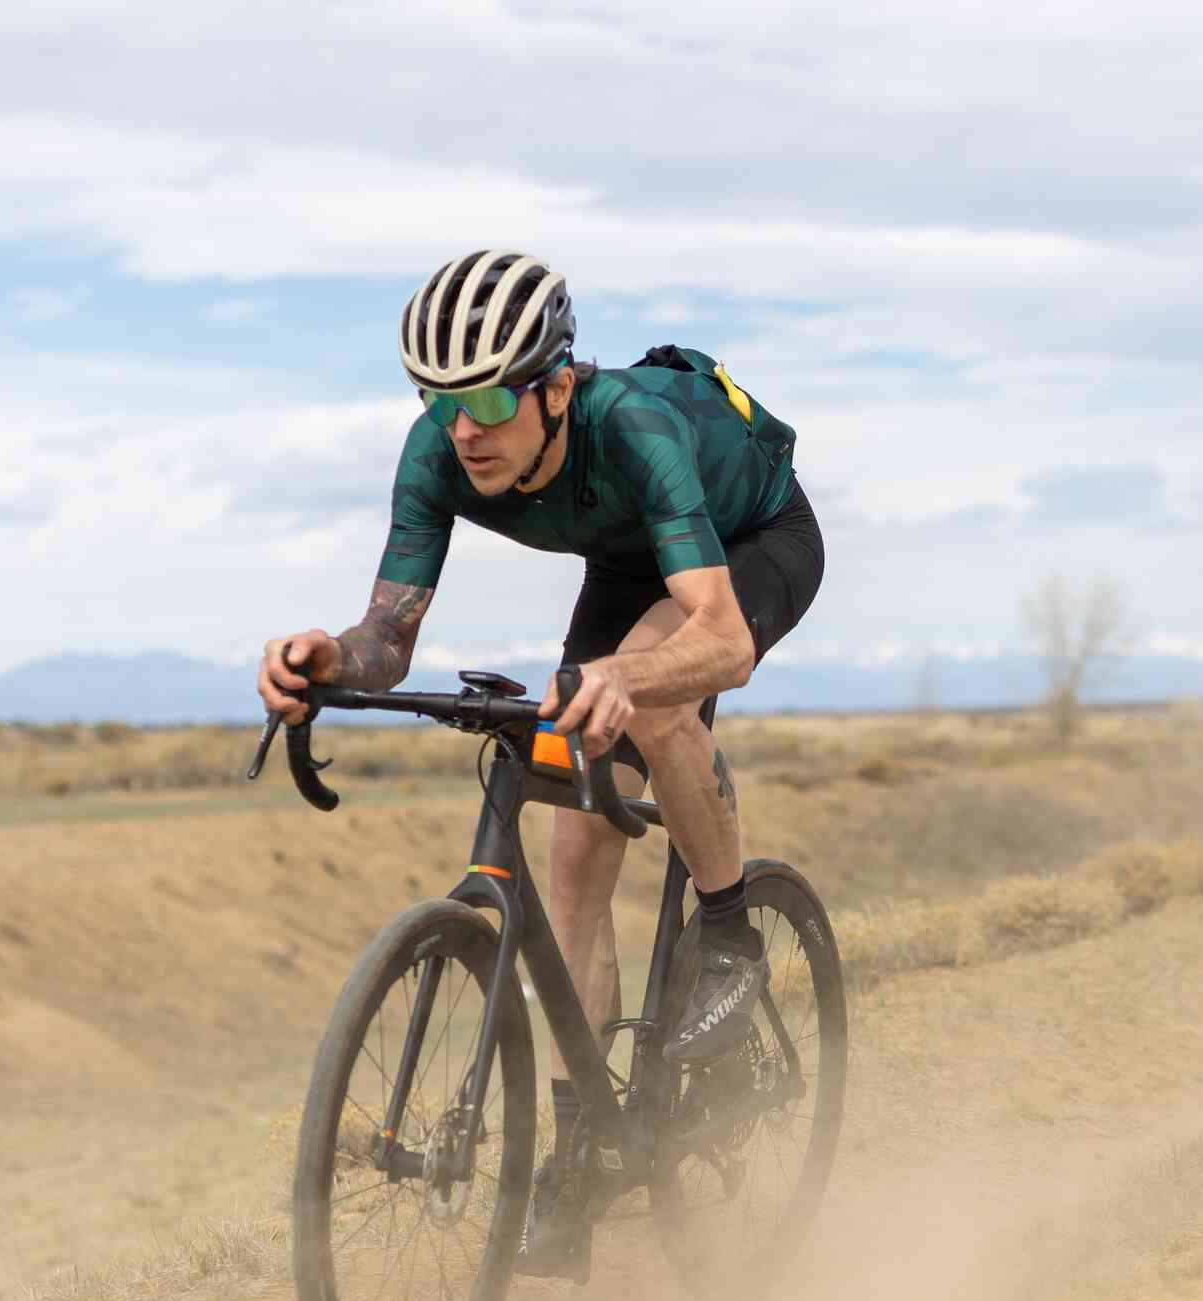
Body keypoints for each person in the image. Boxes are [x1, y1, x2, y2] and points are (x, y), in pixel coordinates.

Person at [256, 248, 824, 1200]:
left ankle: (730, 935)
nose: (462, 430)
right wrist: (332, 659)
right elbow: (389, 634)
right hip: (630, 562)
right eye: (438, 401)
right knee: (574, 868)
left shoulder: (634, 427)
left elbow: (721, 639)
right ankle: (583, 1153)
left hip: (751, 542)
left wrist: (624, 676)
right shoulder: (438, 452)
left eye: (486, 403)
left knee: (656, 698)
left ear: (557, 388)